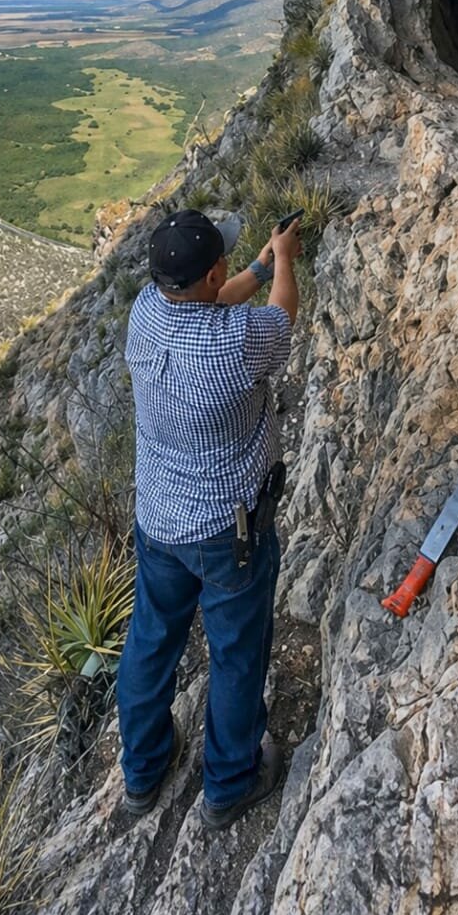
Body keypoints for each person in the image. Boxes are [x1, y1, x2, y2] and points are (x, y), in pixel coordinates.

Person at [116, 206, 301, 831]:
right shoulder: (237, 343)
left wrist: (253, 263)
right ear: (213, 269)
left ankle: (142, 773)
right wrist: (283, 263)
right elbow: (281, 317)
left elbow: (211, 300)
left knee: (151, 642)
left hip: (159, 520)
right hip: (229, 532)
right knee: (236, 653)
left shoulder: (146, 310)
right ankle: (230, 782)